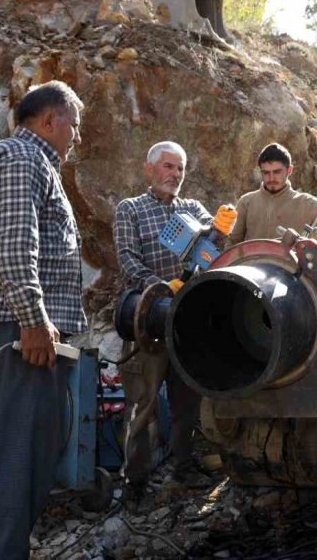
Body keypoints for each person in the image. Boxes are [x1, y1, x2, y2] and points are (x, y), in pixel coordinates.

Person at [0, 80, 86, 559]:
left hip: (0, 332)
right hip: (14, 337)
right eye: (74, 126)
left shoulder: (24, 161)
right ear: (50, 120)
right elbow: (15, 246)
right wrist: (33, 321)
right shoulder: (24, 159)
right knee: (15, 462)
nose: (76, 138)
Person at [113, 142, 235, 504]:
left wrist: (219, 231)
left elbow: (211, 255)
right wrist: (162, 290)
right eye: (168, 166)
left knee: (187, 401)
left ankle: (184, 469)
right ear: (149, 169)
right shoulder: (130, 210)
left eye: (180, 169)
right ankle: (134, 482)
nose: (175, 175)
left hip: (187, 322)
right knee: (143, 403)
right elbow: (127, 261)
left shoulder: (193, 210)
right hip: (147, 322)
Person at [228, 142, 317, 244]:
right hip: (249, 265)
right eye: (266, 173)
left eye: (277, 172)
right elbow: (232, 242)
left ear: (289, 170)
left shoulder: (306, 203)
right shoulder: (246, 202)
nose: (271, 178)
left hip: (287, 266)